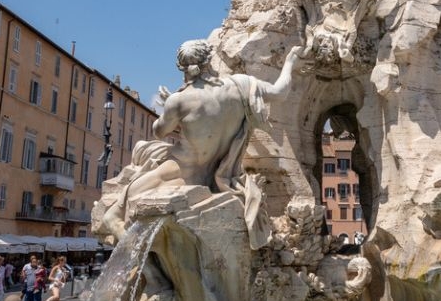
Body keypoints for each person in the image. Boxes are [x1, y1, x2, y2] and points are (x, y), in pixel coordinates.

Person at [98, 41, 303, 249]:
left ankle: (149, 271)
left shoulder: (179, 101)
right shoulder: (241, 86)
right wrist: (290, 62)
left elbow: (159, 132)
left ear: (182, 68)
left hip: (182, 171)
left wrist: (171, 106)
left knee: (115, 211)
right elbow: (280, 92)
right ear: (209, 61)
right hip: (215, 175)